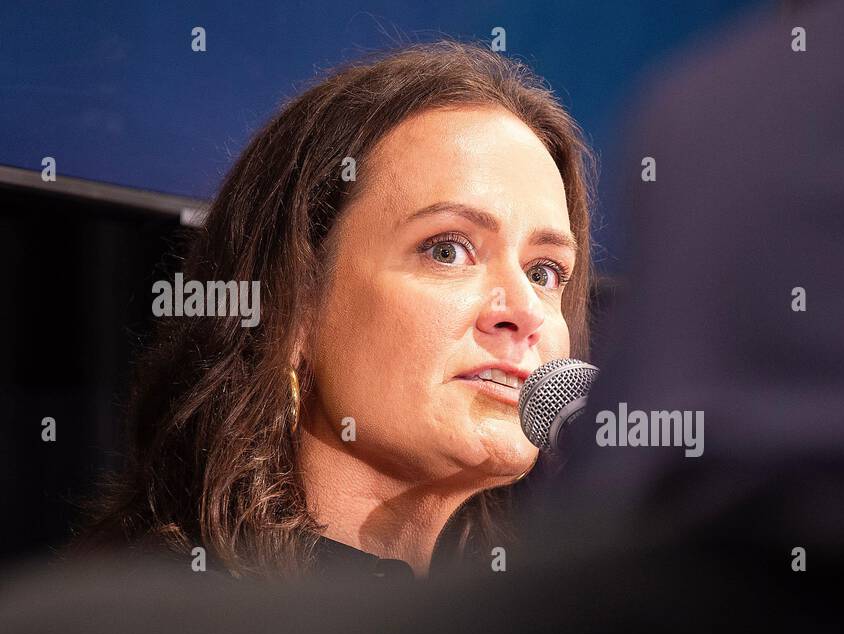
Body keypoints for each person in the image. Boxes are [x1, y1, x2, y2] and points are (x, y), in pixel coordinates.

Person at [70, 41, 595, 579]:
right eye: (446, 250)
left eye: (544, 272)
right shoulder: (163, 626)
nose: (525, 310)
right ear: (292, 307)